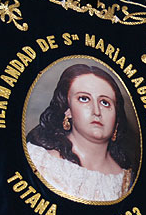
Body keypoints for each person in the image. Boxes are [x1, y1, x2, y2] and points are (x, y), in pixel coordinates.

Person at [26, 64, 134, 201]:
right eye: (84, 98)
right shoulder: (39, 161)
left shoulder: (128, 180)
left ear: (116, 116)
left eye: (105, 103)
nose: (96, 111)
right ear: (67, 110)